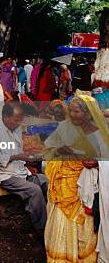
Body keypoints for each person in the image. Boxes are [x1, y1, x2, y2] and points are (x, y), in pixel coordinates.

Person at [43, 95, 109, 262]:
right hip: (62, 185)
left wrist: (96, 164)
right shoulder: (65, 128)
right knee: (60, 224)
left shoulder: (100, 134)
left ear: (88, 114)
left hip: (84, 189)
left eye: (76, 111)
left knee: (83, 230)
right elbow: (48, 148)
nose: (71, 114)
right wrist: (58, 151)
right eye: (70, 110)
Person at [0, 103, 48, 233]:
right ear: (5, 117)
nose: (19, 123)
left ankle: (53, 222)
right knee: (34, 190)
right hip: (5, 175)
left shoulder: (17, 129)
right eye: (16, 120)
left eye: (20, 120)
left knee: (47, 182)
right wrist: (15, 156)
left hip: (21, 171)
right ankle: (42, 230)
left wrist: (30, 156)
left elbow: (20, 152)